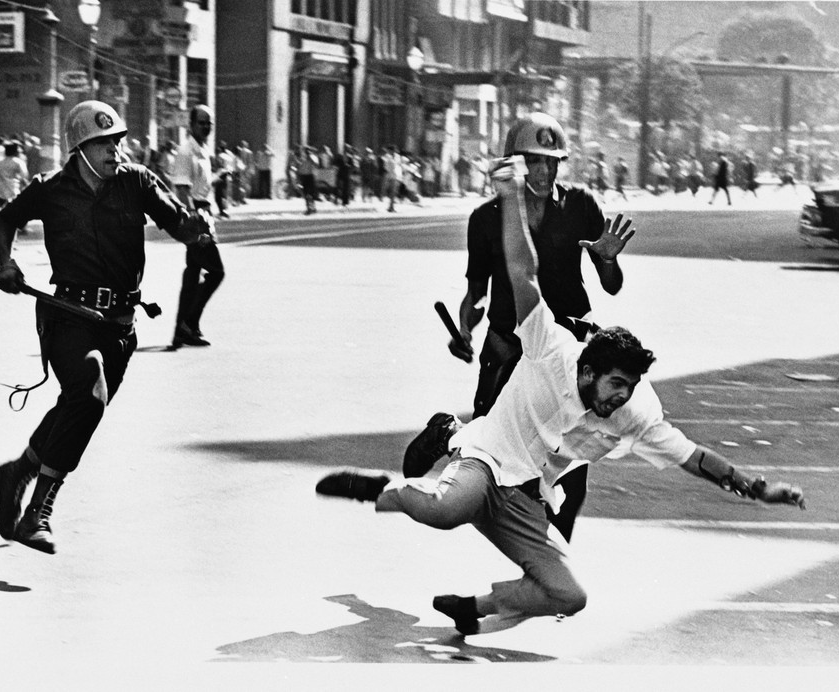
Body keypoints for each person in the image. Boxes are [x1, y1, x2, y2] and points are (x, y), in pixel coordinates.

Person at [316, 155, 807, 636]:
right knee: (449, 509)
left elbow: (693, 457)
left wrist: (757, 487)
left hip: (528, 492)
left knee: (570, 595)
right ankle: (379, 487)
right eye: (616, 385)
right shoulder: (551, 348)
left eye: (630, 389)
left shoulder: (634, 410)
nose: (621, 399)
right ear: (588, 371)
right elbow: (521, 272)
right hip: (488, 460)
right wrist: (510, 196)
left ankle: (474, 608)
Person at [0, 100, 212, 554]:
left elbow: (177, 222)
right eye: (104, 144)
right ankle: (38, 512)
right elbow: (5, 220)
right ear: (79, 148)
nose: (116, 151)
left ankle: (18, 471)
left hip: (120, 326)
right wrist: (7, 264)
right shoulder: (50, 188)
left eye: (118, 142)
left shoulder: (137, 181)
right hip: (67, 315)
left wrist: (196, 227)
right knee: (90, 392)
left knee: (78, 406)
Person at [399, 113, 627, 542]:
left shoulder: (581, 206)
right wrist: (464, 328)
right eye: (534, 162)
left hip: (568, 350)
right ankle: (447, 431)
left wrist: (608, 259)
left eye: (552, 162)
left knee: (570, 464)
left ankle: (553, 563)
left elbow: (611, 286)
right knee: (487, 452)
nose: (544, 172)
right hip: (510, 344)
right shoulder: (487, 219)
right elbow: (476, 292)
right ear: (514, 163)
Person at [170, 104, 227, 349]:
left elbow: (199, 185)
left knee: (192, 275)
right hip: (197, 218)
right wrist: (195, 224)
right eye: (201, 122)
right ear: (191, 125)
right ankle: (188, 323)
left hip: (205, 212)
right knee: (216, 272)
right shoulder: (185, 151)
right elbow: (182, 191)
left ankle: (182, 331)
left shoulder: (203, 149)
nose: (206, 127)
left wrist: (219, 176)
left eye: (209, 123)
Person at [296, 145, 319, 214]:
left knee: (310, 193)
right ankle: (309, 208)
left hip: (310, 176)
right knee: (306, 193)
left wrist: (310, 158)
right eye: (304, 150)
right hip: (303, 176)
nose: (305, 152)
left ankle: (312, 207)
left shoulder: (313, 157)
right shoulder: (302, 157)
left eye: (307, 150)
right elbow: (299, 166)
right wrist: (298, 175)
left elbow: (316, 164)